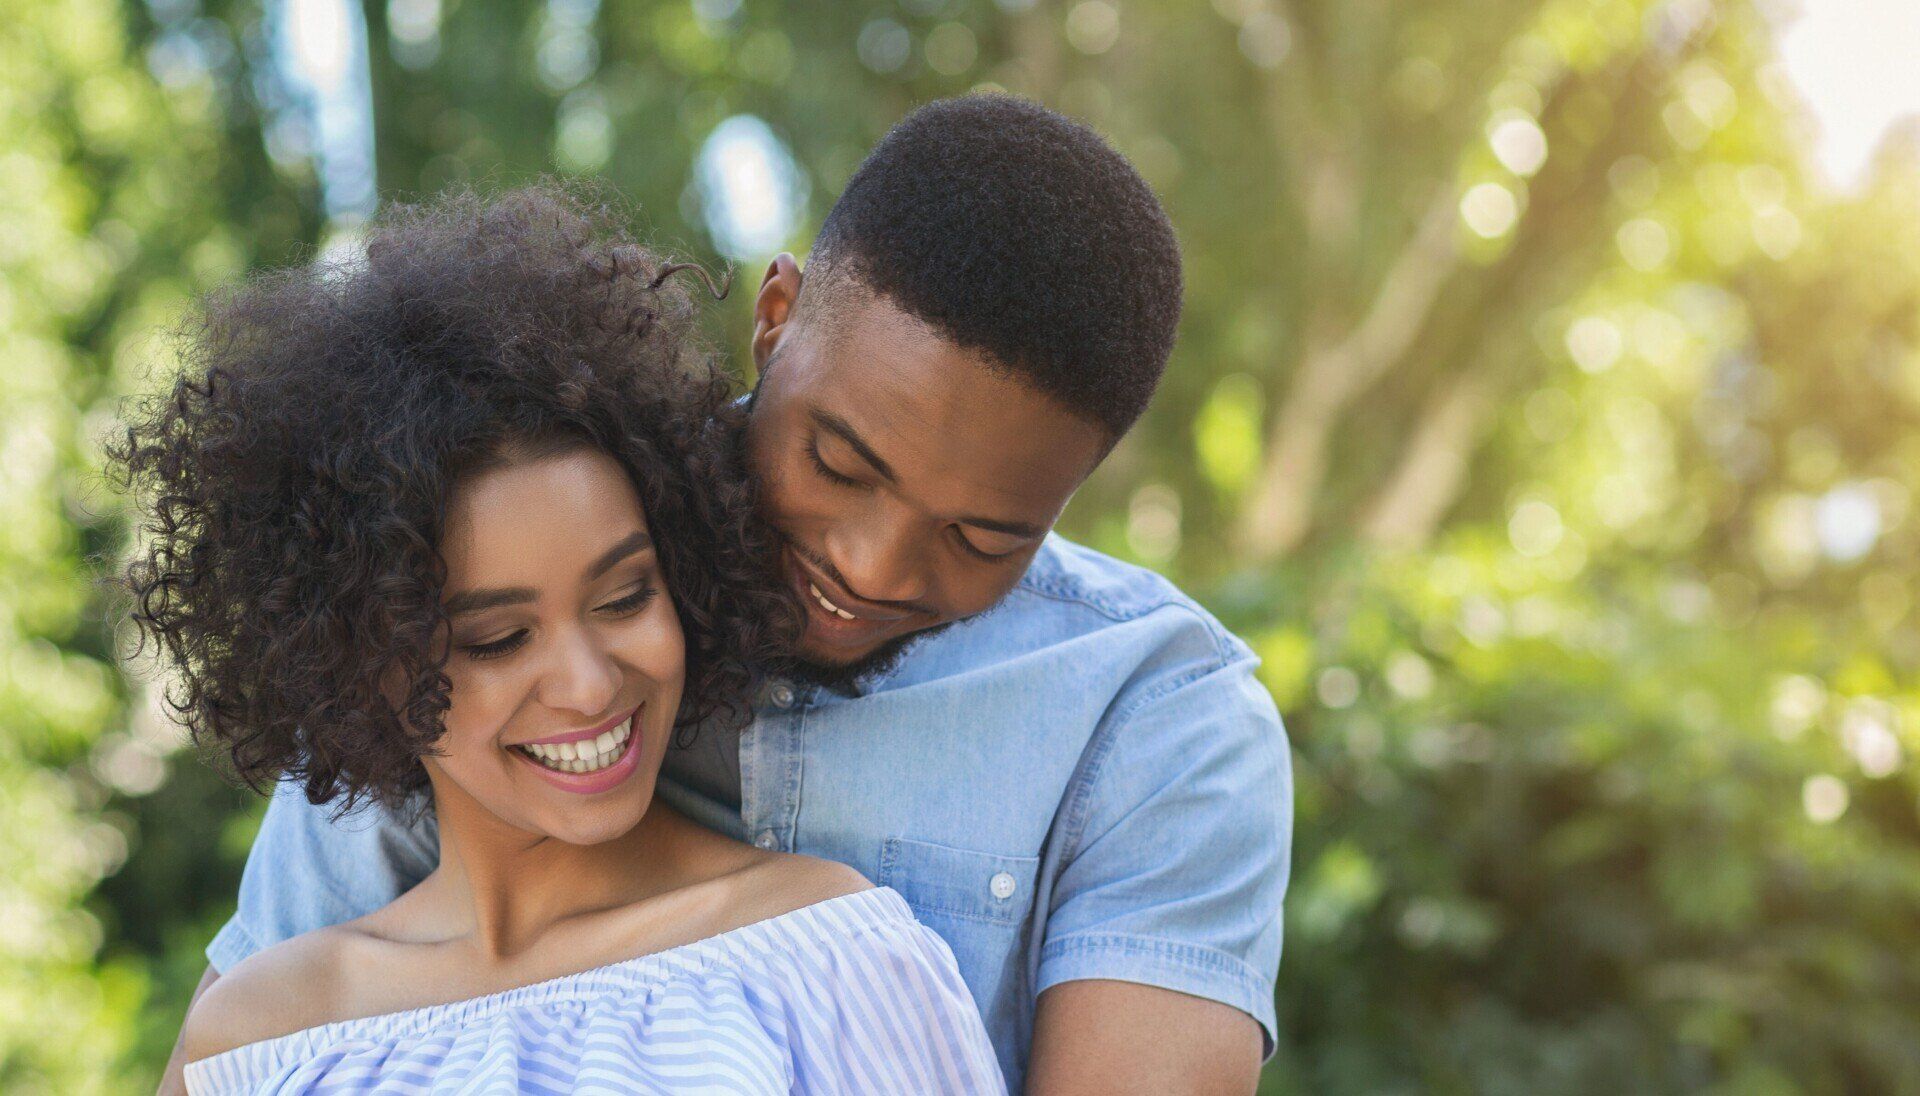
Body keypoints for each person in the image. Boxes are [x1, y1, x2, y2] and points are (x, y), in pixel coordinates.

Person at [167, 93, 1293, 1094]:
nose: (873, 568)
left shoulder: (1156, 718)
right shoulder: (472, 534)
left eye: (982, 535)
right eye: (842, 466)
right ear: (774, 319)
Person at [120, 186, 1007, 1093]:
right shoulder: (258, 1040)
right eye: (500, 638)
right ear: (367, 661)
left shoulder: (830, 963)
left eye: (625, 598)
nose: (588, 686)